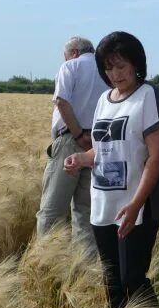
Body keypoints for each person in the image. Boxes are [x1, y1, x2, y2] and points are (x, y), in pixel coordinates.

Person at [64, 31, 159, 308]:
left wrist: (137, 203)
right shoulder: (103, 100)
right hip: (103, 204)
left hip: (134, 206)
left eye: (121, 66)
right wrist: (80, 159)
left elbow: (157, 157)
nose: (115, 74)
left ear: (137, 64)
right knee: (112, 280)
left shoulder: (149, 96)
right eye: (109, 67)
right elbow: (101, 151)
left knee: (132, 278)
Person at [36, 36, 107, 252]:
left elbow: (61, 101)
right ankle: (85, 273)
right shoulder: (107, 69)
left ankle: (46, 263)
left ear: (74, 53)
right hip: (98, 146)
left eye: (65, 55)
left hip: (70, 140)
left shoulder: (71, 66)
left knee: (52, 209)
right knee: (85, 212)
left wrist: (77, 134)